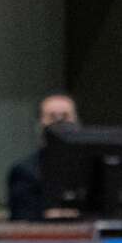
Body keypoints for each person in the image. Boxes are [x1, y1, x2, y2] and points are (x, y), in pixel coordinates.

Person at [7, 93, 78, 221]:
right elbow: (22, 217)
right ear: (40, 124)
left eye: (65, 116)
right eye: (52, 117)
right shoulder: (24, 171)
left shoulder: (97, 166)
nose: (59, 122)